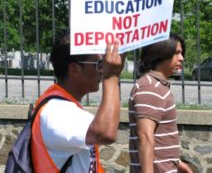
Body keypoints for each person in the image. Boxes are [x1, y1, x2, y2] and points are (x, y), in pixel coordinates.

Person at [30, 29, 126, 173]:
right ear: (75, 68)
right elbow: (105, 133)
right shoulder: (57, 112)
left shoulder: (65, 105)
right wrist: (111, 76)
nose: (102, 70)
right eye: (99, 64)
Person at [128, 33, 193, 173]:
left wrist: (177, 162)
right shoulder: (150, 87)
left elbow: (160, 135)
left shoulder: (157, 86)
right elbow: (145, 137)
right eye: (177, 53)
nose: (182, 58)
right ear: (162, 53)